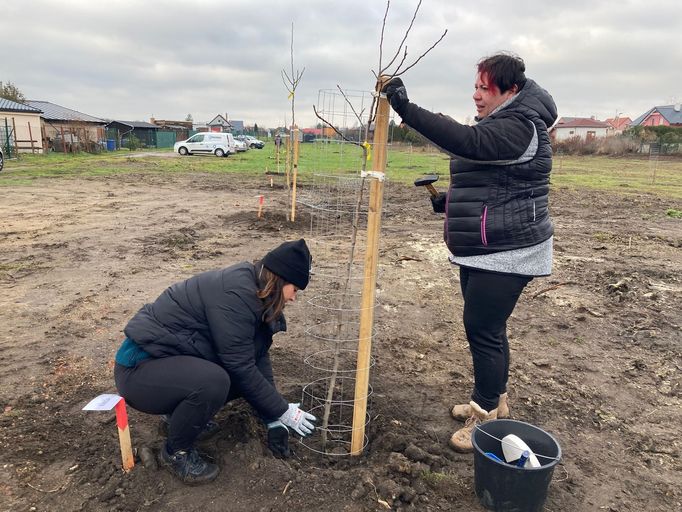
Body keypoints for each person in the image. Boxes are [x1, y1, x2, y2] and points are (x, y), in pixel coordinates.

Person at [383, 53, 557, 452]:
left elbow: (468, 142)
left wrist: (407, 109)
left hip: (508, 249)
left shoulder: (520, 126)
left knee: (482, 329)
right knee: (488, 329)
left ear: (510, 91)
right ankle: (496, 400)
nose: (476, 95)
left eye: (485, 88)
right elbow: (496, 182)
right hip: (487, 246)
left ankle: (484, 418)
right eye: (476, 86)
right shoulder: (504, 121)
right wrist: (450, 202)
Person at [113, 239, 317, 483]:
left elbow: (256, 356)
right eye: (295, 289)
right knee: (215, 381)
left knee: (235, 377)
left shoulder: (256, 292)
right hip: (138, 371)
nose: (294, 298)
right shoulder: (237, 297)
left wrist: (274, 419)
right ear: (282, 280)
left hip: (165, 364)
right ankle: (175, 453)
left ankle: (176, 420)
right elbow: (241, 366)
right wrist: (284, 411)